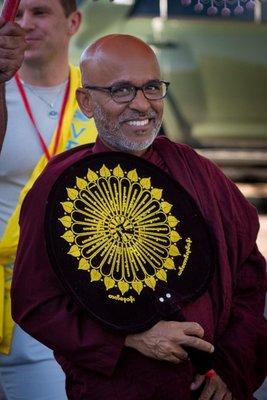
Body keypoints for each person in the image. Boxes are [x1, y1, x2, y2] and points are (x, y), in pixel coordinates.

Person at [11, 34, 267, 400]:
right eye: (121, 91)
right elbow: (36, 303)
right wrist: (129, 338)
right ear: (86, 101)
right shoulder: (61, 188)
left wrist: (229, 370)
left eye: (151, 87)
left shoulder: (197, 172)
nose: (142, 105)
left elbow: (249, 277)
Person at [0, 1, 97, 399]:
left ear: (73, 22)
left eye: (39, 12)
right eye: (17, 14)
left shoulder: (100, 96)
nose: (25, 25)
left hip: (51, 308)